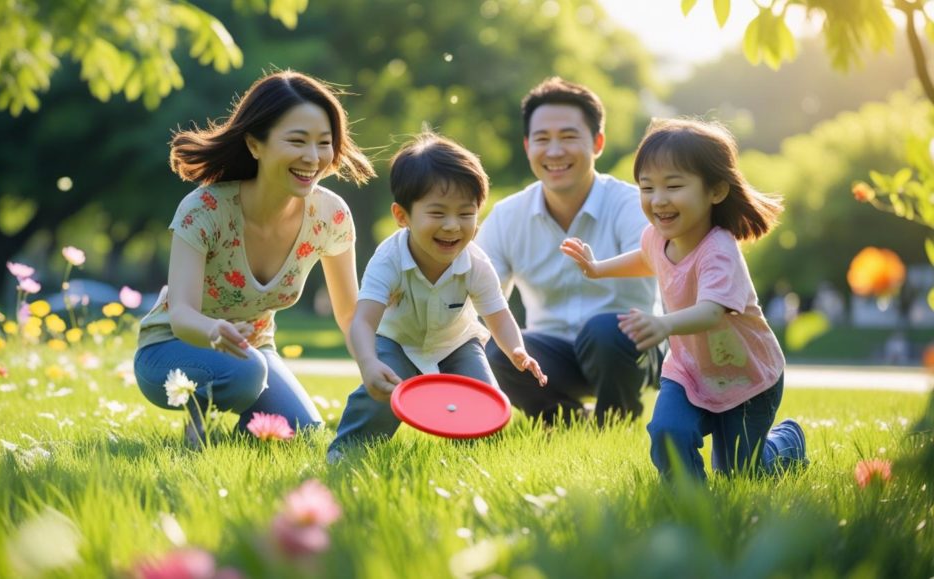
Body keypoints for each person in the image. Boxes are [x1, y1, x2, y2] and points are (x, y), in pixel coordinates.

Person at [134, 70, 375, 447]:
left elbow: (349, 314)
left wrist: (372, 365)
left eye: (324, 143)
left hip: (252, 354)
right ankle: (200, 421)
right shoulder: (205, 208)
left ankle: (224, 446)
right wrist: (214, 331)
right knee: (246, 373)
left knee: (300, 433)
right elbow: (180, 313)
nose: (312, 158)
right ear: (255, 144)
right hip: (170, 349)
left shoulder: (331, 215)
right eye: (297, 141)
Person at [561, 118, 807, 479]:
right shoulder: (657, 236)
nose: (658, 200)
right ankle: (686, 503)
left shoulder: (719, 251)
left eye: (673, 186)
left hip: (746, 378)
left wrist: (663, 323)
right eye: (647, 188)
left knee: (741, 472)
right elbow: (646, 259)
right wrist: (598, 268)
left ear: (716, 191)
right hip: (689, 369)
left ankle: (786, 443)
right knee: (668, 431)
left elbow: (710, 312)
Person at [328, 132, 546, 459]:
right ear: (402, 216)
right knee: (382, 394)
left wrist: (516, 350)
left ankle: (475, 461)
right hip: (396, 340)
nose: (452, 226)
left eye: (465, 213)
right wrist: (369, 362)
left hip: (455, 342)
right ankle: (346, 453)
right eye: (437, 213)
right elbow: (362, 321)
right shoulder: (389, 260)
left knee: (485, 402)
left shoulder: (476, 263)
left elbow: (498, 315)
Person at [476, 77, 659, 427]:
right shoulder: (507, 215)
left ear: (598, 143)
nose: (555, 151)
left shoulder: (630, 203)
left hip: (630, 348)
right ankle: (565, 420)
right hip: (552, 355)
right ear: (528, 146)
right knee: (498, 350)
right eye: (542, 139)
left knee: (605, 331)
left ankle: (617, 422)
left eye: (569, 137)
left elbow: (658, 262)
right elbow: (477, 291)